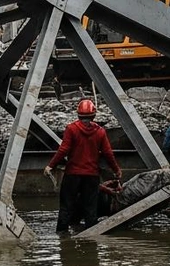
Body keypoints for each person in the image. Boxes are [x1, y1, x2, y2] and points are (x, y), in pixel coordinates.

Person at [45, 99, 122, 233]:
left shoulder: (71, 129)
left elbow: (63, 150)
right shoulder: (100, 132)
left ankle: (62, 238)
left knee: (66, 206)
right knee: (90, 207)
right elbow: (108, 153)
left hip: (72, 175)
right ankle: (91, 238)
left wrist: (50, 166)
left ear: (78, 114)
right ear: (94, 115)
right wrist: (116, 170)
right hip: (91, 176)